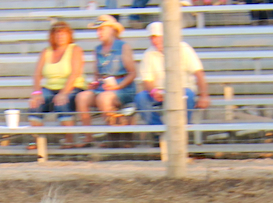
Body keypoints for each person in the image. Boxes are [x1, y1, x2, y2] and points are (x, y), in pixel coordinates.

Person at [134, 22, 210, 127]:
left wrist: (204, 95)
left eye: (158, 37)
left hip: (182, 89)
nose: (155, 41)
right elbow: (147, 80)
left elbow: (199, 73)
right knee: (141, 98)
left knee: (188, 95)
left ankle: (180, 129)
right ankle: (159, 131)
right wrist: (154, 91)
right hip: (160, 92)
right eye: (152, 37)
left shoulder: (183, 48)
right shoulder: (149, 54)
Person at [76, 15, 137, 144]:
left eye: (102, 29)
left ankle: (115, 135)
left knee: (103, 98)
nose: (99, 33)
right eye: (98, 30)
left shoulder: (123, 47)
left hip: (123, 87)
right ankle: (88, 137)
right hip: (104, 86)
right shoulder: (97, 49)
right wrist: (95, 83)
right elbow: (98, 74)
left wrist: (117, 87)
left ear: (111, 29)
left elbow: (132, 73)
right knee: (81, 97)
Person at [28, 21, 85, 148]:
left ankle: (69, 139)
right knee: (35, 103)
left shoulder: (75, 49)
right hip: (50, 87)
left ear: (69, 35)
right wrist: (36, 93)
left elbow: (75, 73)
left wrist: (64, 92)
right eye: (57, 34)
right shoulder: (46, 52)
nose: (60, 36)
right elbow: (37, 74)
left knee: (62, 101)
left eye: (64, 33)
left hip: (72, 87)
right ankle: (38, 140)